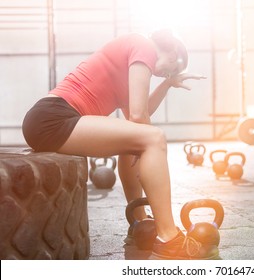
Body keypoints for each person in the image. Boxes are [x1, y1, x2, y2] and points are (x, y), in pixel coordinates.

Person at [22, 29, 219, 260]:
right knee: (154, 138)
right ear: (173, 52)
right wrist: (146, 141)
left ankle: (140, 222)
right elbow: (138, 116)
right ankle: (169, 238)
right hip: (54, 118)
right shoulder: (143, 46)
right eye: (172, 69)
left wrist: (167, 86)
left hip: (49, 119)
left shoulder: (132, 64)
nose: (167, 74)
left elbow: (137, 114)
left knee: (139, 140)